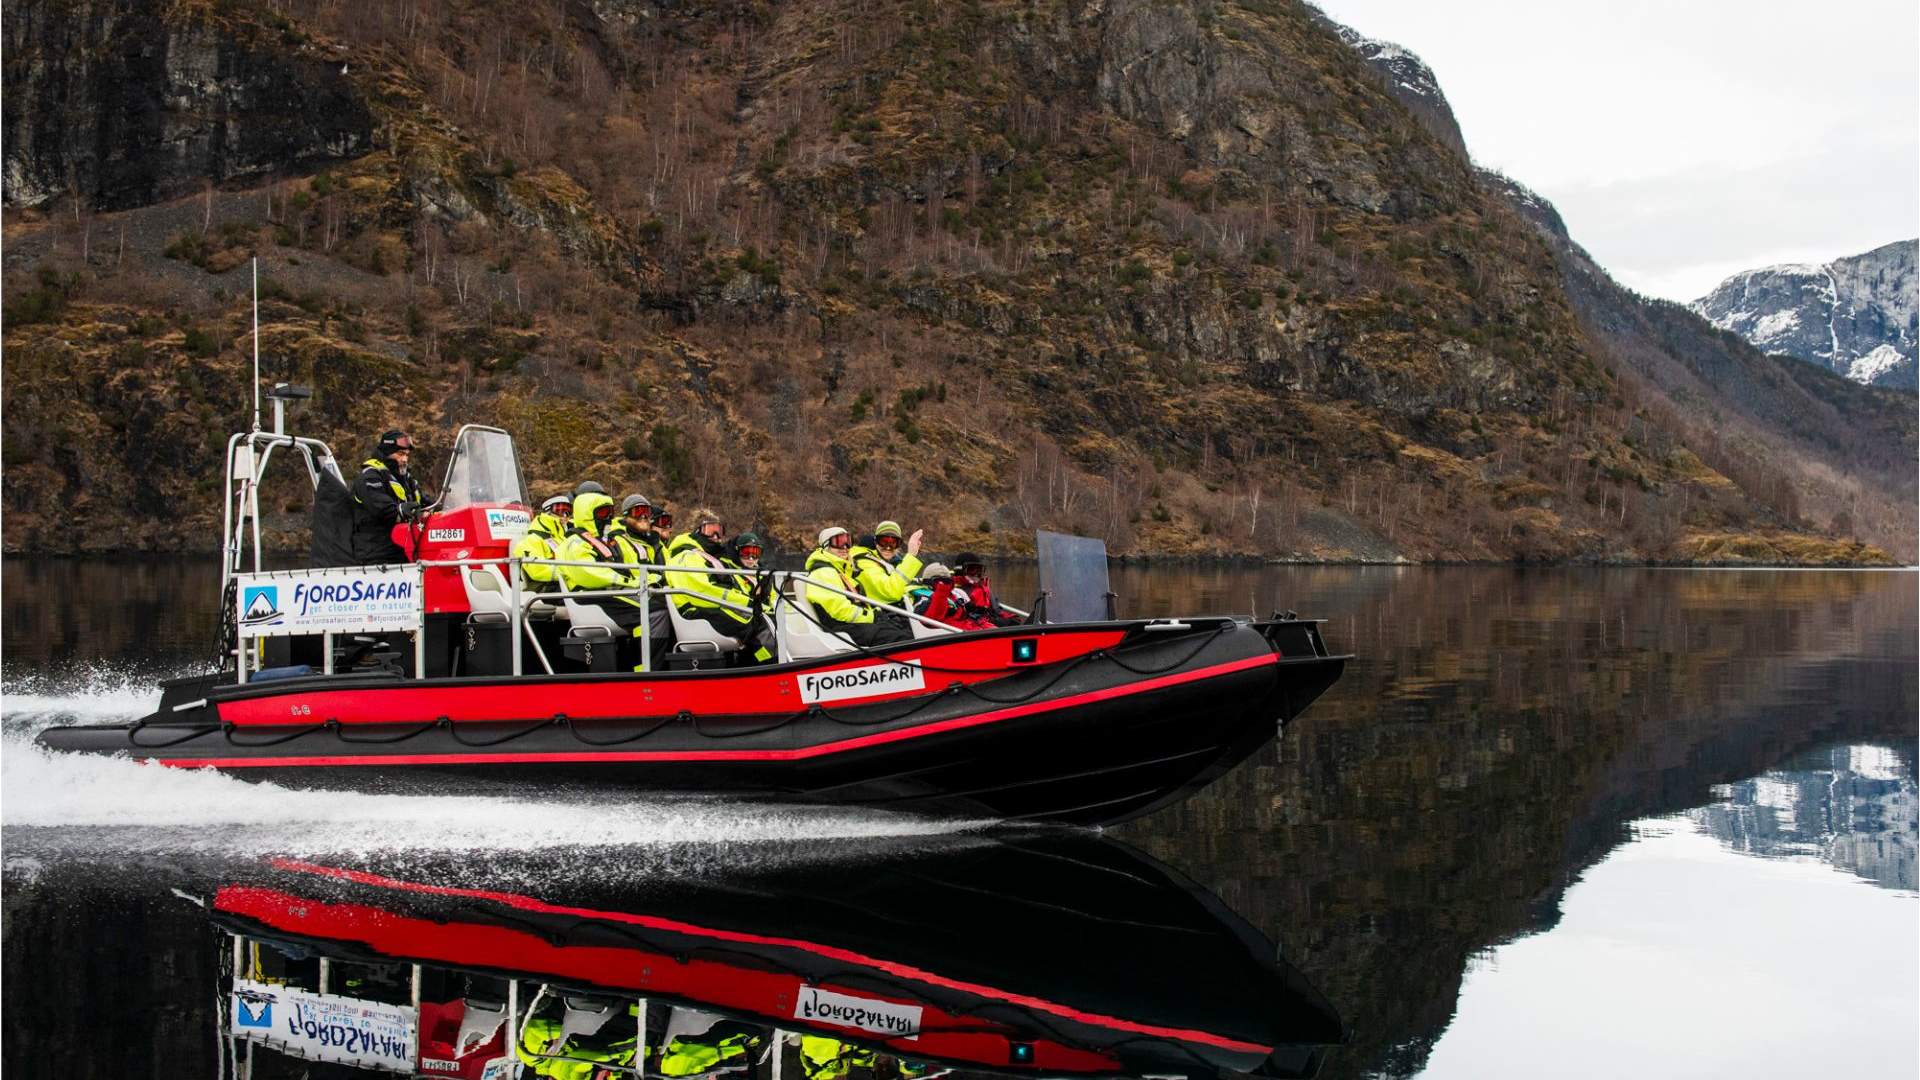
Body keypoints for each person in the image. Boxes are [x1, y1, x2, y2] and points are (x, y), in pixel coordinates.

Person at [664, 510, 773, 662]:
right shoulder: (686, 556)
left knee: (765, 620)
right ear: (696, 532)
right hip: (694, 609)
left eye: (719, 531)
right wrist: (745, 603)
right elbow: (700, 590)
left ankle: (757, 665)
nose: (715, 536)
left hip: (711, 606)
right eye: (709, 530)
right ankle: (767, 664)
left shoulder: (711, 558)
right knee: (755, 625)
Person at [557, 490, 650, 667]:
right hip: (589, 597)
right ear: (587, 515)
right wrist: (632, 584)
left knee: (659, 605)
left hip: (612, 593)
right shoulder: (574, 543)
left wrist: (649, 582)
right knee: (649, 612)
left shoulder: (606, 542)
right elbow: (590, 574)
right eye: (602, 513)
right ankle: (644, 670)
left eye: (610, 512)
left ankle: (648, 667)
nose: (607, 518)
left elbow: (630, 569)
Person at [804, 527, 912, 646]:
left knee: (902, 628)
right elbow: (840, 610)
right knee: (898, 637)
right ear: (826, 546)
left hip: (852, 624)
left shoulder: (843, 571)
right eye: (839, 542)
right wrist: (873, 617)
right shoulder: (823, 572)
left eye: (847, 541)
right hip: (840, 628)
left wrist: (879, 614)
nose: (845, 547)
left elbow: (858, 603)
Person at [350, 429, 424, 564]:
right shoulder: (370, 476)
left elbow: (424, 501)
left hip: (404, 551)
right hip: (376, 556)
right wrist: (402, 509)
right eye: (400, 454)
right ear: (386, 453)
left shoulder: (406, 479)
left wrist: (444, 506)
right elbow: (381, 508)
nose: (404, 459)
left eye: (407, 455)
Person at [849, 520, 925, 608]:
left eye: (893, 543)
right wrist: (911, 555)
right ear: (876, 542)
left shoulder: (888, 562)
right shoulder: (864, 562)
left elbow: (898, 582)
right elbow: (891, 591)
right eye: (884, 542)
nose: (888, 547)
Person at [510, 493, 573, 592]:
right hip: (544, 588)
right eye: (559, 510)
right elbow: (537, 571)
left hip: (562, 583)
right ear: (547, 512)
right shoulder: (532, 540)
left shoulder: (563, 539)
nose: (564, 516)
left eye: (568, 512)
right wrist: (569, 573)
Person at [951, 552, 1022, 626]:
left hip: (989, 623)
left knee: (1017, 621)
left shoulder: (984, 589)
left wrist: (1010, 619)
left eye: (979, 570)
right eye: (972, 570)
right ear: (960, 571)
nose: (976, 574)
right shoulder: (954, 591)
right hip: (975, 628)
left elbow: (997, 611)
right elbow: (962, 618)